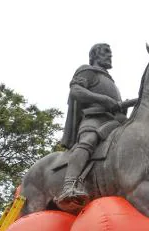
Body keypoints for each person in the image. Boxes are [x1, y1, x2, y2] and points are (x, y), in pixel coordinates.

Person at [55, 43, 135, 213]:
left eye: (110, 53)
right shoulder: (87, 71)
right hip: (93, 119)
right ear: (94, 55)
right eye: (106, 52)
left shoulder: (111, 81)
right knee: (88, 141)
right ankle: (69, 185)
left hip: (114, 122)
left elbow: (115, 107)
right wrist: (104, 100)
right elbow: (76, 91)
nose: (110, 55)